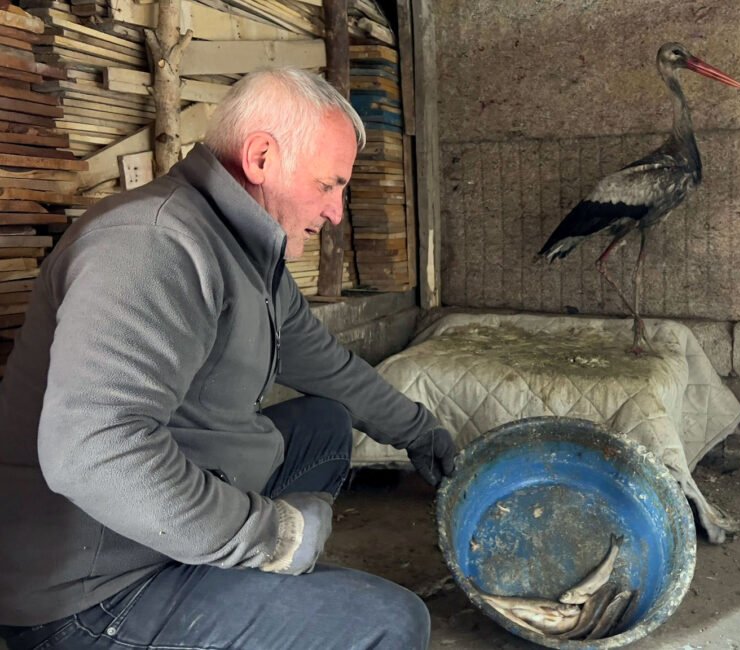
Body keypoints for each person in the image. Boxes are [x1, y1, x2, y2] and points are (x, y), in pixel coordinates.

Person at [0, 67, 456, 649]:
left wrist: (419, 430)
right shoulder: (154, 244)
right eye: (328, 185)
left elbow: (325, 365)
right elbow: (94, 451)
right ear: (262, 158)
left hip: (166, 514)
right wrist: (275, 535)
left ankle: (234, 575)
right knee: (391, 623)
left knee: (324, 423)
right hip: (92, 587)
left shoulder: (245, 250)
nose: (336, 212)